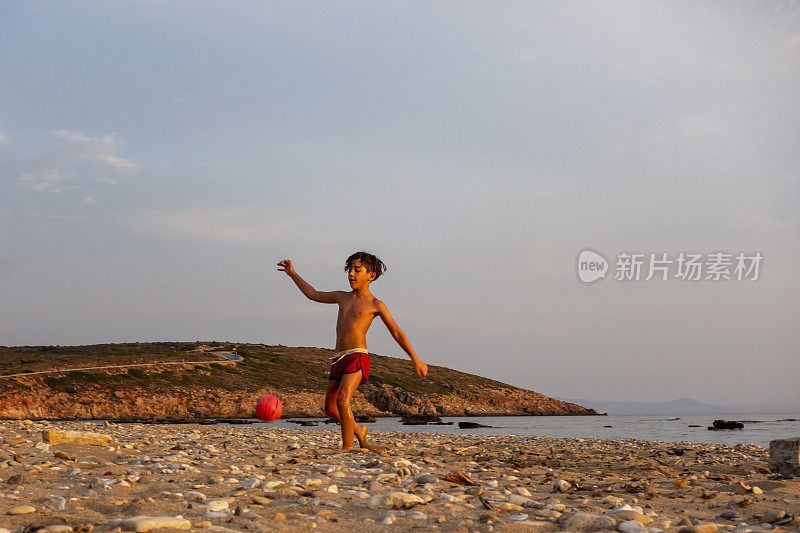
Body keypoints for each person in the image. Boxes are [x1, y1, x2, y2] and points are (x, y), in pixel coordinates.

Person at [277, 251, 428, 450]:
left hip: (357, 355)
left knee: (342, 399)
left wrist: (415, 359)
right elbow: (313, 294)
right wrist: (292, 274)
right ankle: (358, 430)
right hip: (338, 357)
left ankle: (347, 448)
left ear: (371, 275)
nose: (352, 274)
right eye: (350, 270)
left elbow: (397, 332)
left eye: (357, 270)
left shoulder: (375, 304)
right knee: (330, 408)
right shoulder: (342, 297)